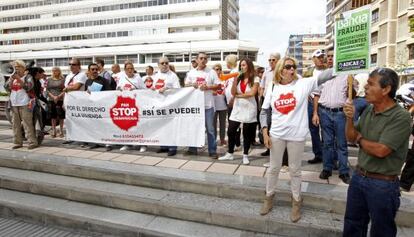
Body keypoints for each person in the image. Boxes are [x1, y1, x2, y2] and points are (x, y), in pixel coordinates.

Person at [259, 57, 334, 222]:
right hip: (277, 135)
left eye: (294, 66)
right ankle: (269, 198)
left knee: (295, 170)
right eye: (288, 67)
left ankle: (296, 202)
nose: (292, 69)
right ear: (281, 70)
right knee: (274, 168)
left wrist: (345, 64)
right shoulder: (273, 86)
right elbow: (264, 111)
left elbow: (327, 75)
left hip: (296, 136)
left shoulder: (303, 84)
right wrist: (265, 133)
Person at [342, 68, 411, 237]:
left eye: (371, 84)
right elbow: (351, 137)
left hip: (383, 185)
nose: (365, 87)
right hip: (358, 178)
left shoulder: (400, 117)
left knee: (382, 231)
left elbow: (381, 150)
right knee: (352, 224)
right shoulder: (368, 110)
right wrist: (349, 118)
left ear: (386, 89)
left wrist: (360, 139)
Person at [313, 49, 356, 183]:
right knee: (327, 143)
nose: (330, 58)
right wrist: (315, 113)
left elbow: (353, 94)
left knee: (341, 144)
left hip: (340, 113)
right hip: (324, 112)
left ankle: (343, 171)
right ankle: (327, 168)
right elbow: (316, 95)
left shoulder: (347, 75)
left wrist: (351, 86)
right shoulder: (322, 76)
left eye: (333, 56)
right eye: (329, 56)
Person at [219, 58, 260, 165]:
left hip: (249, 108)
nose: (242, 67)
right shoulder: (238, 78)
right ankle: (230, 153)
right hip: (237, 108)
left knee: (247, 133)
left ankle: (245, 155)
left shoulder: (255, 78)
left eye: (244, 65)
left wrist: (238, 96)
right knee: (231, 130)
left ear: (249, 66)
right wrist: (235, 80)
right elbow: (233, 92)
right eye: (241, 65)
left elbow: (252, 93)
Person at [185, 52, 220, 158]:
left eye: (205, 58)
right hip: (195, 105)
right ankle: (192, 149)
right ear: (196, 60)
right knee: (194, 127)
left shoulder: (212, 72)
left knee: (210, 129)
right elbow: (186, 84)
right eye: (201, 58)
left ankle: (212, 151)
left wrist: (208, 87)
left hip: (208, 105)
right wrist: (192, 85)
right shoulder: (191, 72)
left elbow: (218, 85)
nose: (203, 60)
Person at [5, 60, 38, 150]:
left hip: (25, 103)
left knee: (27, 123)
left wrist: (19, 79)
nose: (16, 69)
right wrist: (11, 79)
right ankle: (17, 142)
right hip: (14, 103)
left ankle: (32, 142)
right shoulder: (12, 77)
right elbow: (6, 87)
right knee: (15, 124)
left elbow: (29, 86)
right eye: (15, 67)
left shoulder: (28, 77)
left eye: (18, 67)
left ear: (23, 68)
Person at [152, 57, 181, 156]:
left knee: (171, 127)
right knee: (161, 127)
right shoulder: (155, 76)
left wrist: (167, 88)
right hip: (159, 105)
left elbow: (178, 90)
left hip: (170, 105)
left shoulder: (173, 76)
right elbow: (153, 88)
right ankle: (163, 146)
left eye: (166, 63)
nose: (164, 64)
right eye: (162, 63)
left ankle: (172, 148)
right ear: (158, 65)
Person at [304, 49, 326, 164]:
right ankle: (318, 154)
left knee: (326, 131)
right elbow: (303, 84)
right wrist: (307, 93)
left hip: (325, 102)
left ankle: (327, 155)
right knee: (313, 130)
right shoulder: (308, 72)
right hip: (312, 103)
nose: (321, 59)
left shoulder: (329, 70)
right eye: (318, 57)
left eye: (322, 57)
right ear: (313, 59)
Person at [62, 58, 88, 144]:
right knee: (69, 120)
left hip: (78, 102)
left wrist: (67, 89)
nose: (71, 66)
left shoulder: (82, 75)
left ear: (79, 66)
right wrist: (63, 102)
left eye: (73, 64)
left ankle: (83, 138)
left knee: (80, 121)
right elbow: (65, 91)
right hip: (68, 101)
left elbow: (77, 87)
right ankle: (70, 137)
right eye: (70, 64)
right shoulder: (68, 76)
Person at [260, 53, 280, 158]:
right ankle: (268, 148)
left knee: (274, 125)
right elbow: (262, 86)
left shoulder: (281, 72)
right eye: (270, 60)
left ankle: (276, 150)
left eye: (273, 60)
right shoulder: (266, 72)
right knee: (266, 124)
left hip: (276, 102)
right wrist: (260, 99)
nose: (271, 62)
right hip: (266, 101)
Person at [223, 54, 241, 152]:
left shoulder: (235, 72)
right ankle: (235, 143)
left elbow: (236, 87)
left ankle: (235, 144)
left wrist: (233, 98)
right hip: (230, 102)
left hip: (233, 102)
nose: (226, 64)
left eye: (227, 62)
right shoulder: (232, 72)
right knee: (233, 124)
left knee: (234, 125)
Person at [46, 67, 65, 138]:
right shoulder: (49, 79)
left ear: (59, 71)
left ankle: (61, 130)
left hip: (60, 100)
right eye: (53, 71)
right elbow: (47, 90)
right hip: (51, 100)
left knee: (61, 116)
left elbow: (64, 90)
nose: (54, 72)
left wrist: (58, 96)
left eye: (56, 71)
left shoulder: (63, 79)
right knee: (53, 116)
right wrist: (53, 97)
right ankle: (54, 130)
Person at [212, 63, 227, 147]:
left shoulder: (224, 80)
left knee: (223, 124)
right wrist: (211, 91)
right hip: (213, 105)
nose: (218, 71)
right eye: (216, 69)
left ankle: (222, 139)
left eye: (219, 69)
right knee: (213, 125)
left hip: (223, 105)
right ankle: (213, 140)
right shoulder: (210, 79)